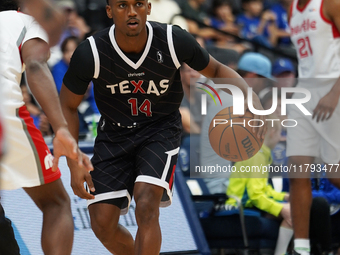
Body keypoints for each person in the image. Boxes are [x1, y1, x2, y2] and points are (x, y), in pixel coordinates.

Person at [59, 0, 266, 254]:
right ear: (109, 11)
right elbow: (67, 106)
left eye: (137, 4)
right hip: (114, 134)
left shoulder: (173, 39)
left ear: (148, 7)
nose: (132, 12)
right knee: (102, 223)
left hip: (159, 129)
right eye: (122, 5)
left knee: (146, 204)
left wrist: (250, 100)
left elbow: (217, 69)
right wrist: (73, 161)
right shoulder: (90, 51)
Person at [0, 1, 93, 254]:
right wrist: (61, 127)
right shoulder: (25, 22)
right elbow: (35, 65)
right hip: (4, 110)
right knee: (56, 203)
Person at [288, 0, 340, 254]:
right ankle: (301, 247)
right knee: (297, 172)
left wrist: (334, 93)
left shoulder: (330, 3)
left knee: (334, 172)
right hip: (304, 93)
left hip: (332, 91)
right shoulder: (292, 9)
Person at [226, 117, 293, 255]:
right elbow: (255, 195)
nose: (280, 138)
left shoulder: (260, 153)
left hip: (249, 204)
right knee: (294, 214)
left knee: (293, 209)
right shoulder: (256, 155)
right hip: (241, 207)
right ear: (272, 132)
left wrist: (285, 196)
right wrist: (280, 208)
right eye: (280, 133)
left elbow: (264, 189)